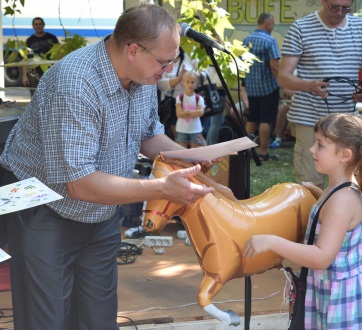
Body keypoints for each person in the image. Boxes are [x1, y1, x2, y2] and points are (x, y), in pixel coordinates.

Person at [0, 5, 216, 329]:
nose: (168, 71)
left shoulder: (142, 77)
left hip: (98, 208)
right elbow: (80, 182)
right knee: (45, 320)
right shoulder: (76, 81)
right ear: (133, 50)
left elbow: (148, 133)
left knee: (98, 318)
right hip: (42, 205)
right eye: (164, 61)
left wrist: (188, 156)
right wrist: (161, 188)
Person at [244, 113, 362, 329]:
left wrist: (272, 242)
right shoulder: (337, 188)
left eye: (320, 145)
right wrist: (319, 194)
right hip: (330, 293)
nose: (312, 149)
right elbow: (332, 220)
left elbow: (322, 257)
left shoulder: (342, 200)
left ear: (344, 155)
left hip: (343, 303)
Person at [278, 0, 362, 187]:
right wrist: (309, 86)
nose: (340, 12)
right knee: (310, 183)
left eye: (346, 8)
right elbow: (283, 76)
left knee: (349, 180)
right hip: (308, 118)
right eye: (334, 7)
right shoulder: (301, 27)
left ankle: (340, 215)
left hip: (347, 121)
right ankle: (313, 215)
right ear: (322, 1)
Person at [242, 13, 281, 161]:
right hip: (268, 88)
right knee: (266, 120)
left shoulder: (246, 40)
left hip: (251, 88)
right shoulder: (270, 41)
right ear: (267, 23)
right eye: (272, 24)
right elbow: (275, 66)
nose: (272, 27)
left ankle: (246, 152)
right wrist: (282, 83)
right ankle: (263, 151)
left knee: (252, 119)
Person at [157, 47, 198, 140]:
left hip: (185, 102)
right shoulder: (163, 63)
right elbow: (159, 84)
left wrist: (186, 78)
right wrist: (178, 79)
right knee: (176, 132)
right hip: (170, 102)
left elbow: (194, 79)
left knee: (188, 132)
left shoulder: (186, 63)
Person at [22, 17, 59, 96]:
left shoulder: (52, 38)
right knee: (35, 96)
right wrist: (24, 76)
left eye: (40, 24)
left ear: (43, 25)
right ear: (33, 26)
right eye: (36, 24)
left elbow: (59, 54)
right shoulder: (29, 40)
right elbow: (26, 58)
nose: (38, 26)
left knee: (50, 95)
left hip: (50, 71)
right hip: (34, 72)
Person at [175, 71, 207, 148]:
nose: (190, 84)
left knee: (195, 151)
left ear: (196, 83)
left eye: (192, 82)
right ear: (183, 82)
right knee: (181, 151)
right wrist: (194, 113)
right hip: (182, 129)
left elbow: (201, 112)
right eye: (187, 82)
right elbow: (179, 114)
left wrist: (186, 112)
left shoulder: (199, 98)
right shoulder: (179, 98)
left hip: (195, 129)